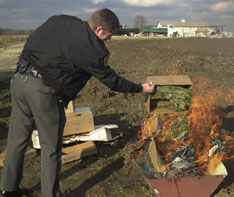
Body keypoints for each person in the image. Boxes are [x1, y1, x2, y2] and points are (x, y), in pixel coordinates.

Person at [0, 8, 154, 197]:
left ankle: (8, 190)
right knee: (51, 148)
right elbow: (112, 81)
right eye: (108, 35)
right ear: (98, 30)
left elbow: (34, 42)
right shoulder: (93, 48)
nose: (108, 40)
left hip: (19, 80)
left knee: (17, 140)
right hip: (43, 93)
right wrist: (140, 88)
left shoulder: (60, 19)